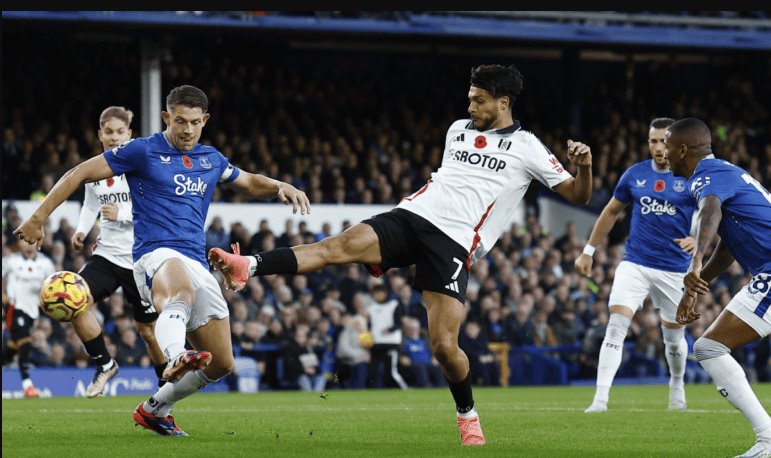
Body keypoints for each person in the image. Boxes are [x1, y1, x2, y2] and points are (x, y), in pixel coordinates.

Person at [209, 64, 594, 446]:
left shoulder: (527, 146)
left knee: (444, 347)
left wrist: (586, 168)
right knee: (336, 247)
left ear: (504, 102)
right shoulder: (457, 131)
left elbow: (578, 196)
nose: (471, 107)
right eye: (470, 99)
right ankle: (249, 265)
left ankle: (467, 415)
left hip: (453, 242)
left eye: (479, 101)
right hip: (412, 215)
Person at [13, 85, 309, 436]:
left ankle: (155, 409)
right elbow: (78, 173)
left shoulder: (210, 158)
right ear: (167, 117)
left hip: (197, 261)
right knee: (178, 290)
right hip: (155, 254)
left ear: (205, 121)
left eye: (195, 123)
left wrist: (277, 186)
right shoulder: (141, 150)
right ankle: (173, 355)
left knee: (222, 364)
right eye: (180, 121)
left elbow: (247, 181)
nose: (187, 130)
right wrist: (38, 217)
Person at [575, 117, 698, 413]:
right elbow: (611, 211)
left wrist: (697, 240)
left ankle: (677, 384)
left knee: (673, 340)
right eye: (653, 141)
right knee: (616, 326)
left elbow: (711, 213)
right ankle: (600, 399)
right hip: (636, 263)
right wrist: (588, 251)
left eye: (663, 141)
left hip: (674, 269)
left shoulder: (692, 177)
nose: (658, 147)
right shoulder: (634, 175)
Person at [666, 117, 771, 458]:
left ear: (683, 149)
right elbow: (728, 249)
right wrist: (696, 287)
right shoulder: (728, 174)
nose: (663, 155)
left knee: (709, 348)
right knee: (709, 347)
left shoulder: (707, 178)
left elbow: (708, 211)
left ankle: (768, 441)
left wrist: (695, 261)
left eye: (667, 147)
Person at [69, 106, 166, 398]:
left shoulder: (142, 166)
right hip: (107, 256)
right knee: (74, 300)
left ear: (130, 134)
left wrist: (121, 212)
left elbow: (156, 207)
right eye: (108, 132)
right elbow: (90, 205)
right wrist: (81, 230)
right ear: (100, 135)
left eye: (119, 132)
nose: (114, 137)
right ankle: (105, 363)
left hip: (140, 259)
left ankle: (167, 387)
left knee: (148, 332)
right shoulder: (95, 170)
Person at [2, 239, 56, 397]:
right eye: (26, 241)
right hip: (14, 308)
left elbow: (53, 284)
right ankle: (27, 385)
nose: (29, 244)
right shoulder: (11, 261)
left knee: (12, 348)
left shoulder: (46, 263)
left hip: (33, 311)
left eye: (33, 241)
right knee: (25, 343)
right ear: (20, 244)